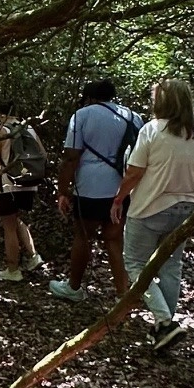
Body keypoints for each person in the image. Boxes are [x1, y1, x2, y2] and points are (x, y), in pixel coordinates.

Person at [114, 78, 194, 349]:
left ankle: (165, 321)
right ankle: (164, 326)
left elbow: (134, 171)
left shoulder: (153, 129)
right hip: (186, 208)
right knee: (171, 265)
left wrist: (119, 198)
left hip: (150, 207)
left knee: (135, 263)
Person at [51, 78, 142, 303]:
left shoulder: (81, 116)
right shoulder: (132, 116)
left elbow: (71, 157)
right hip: (122, 187)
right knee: (114, 239)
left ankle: (73, 288)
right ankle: (123, 295)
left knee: (83, 236)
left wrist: (62, 190)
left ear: (90, 97)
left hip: (90, 187)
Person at [0, 99, 46, 281]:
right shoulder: (29, 128)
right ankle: (33, 257)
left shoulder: (2, 131)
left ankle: (13, 270)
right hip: (28, 182)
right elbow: (43, 155)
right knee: (18, 219)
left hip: (6, 185)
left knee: (9, 227)